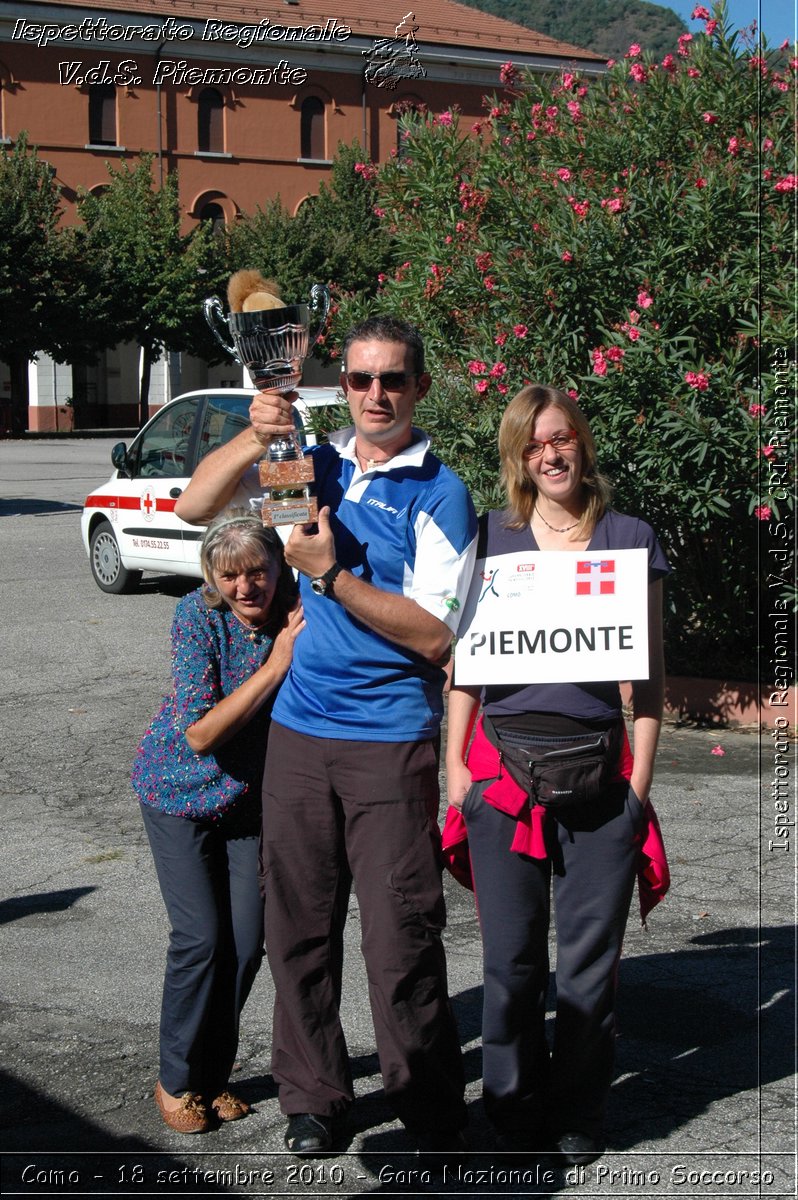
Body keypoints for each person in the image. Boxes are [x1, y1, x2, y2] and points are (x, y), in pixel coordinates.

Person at [174, 316, 478, 1157]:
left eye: (393, 380)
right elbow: (195, 504)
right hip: (301, 737)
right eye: (360, 379)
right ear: (340, 386)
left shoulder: (440, 490)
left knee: (399, 936)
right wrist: (254, 431)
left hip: (390, 739)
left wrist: (333, 578)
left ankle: (426, 1103)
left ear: (420, 388)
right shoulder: (319, 464)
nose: (376, 394)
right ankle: (316, 1099)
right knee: (298, 930)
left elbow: (436, 636)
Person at [445, 384, 670, 1166]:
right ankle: (510, 1108)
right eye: (534, 444)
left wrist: (637, 791)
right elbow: (464, 673)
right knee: (510, 966)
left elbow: (650, 681)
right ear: (517, 456)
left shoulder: (630, 536)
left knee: (586, 970)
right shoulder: (489, 538)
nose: (551, 455)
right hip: (502, 782)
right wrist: (455, 777)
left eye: (562, 438)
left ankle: (578, 1112)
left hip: (603, 786)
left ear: (583, 443)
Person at [132, 510, 304, 1134]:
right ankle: (175, 1077)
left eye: (257, 571)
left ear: (277, 569)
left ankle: (211, 1074)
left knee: (247, 940)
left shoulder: (295, 605)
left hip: (247, 803)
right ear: (211, 576)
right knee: (201, 939)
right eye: (230, 576)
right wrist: (276, 665)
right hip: (177, 792)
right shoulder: (196, 617)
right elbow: (200, 732)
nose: (245, 588)